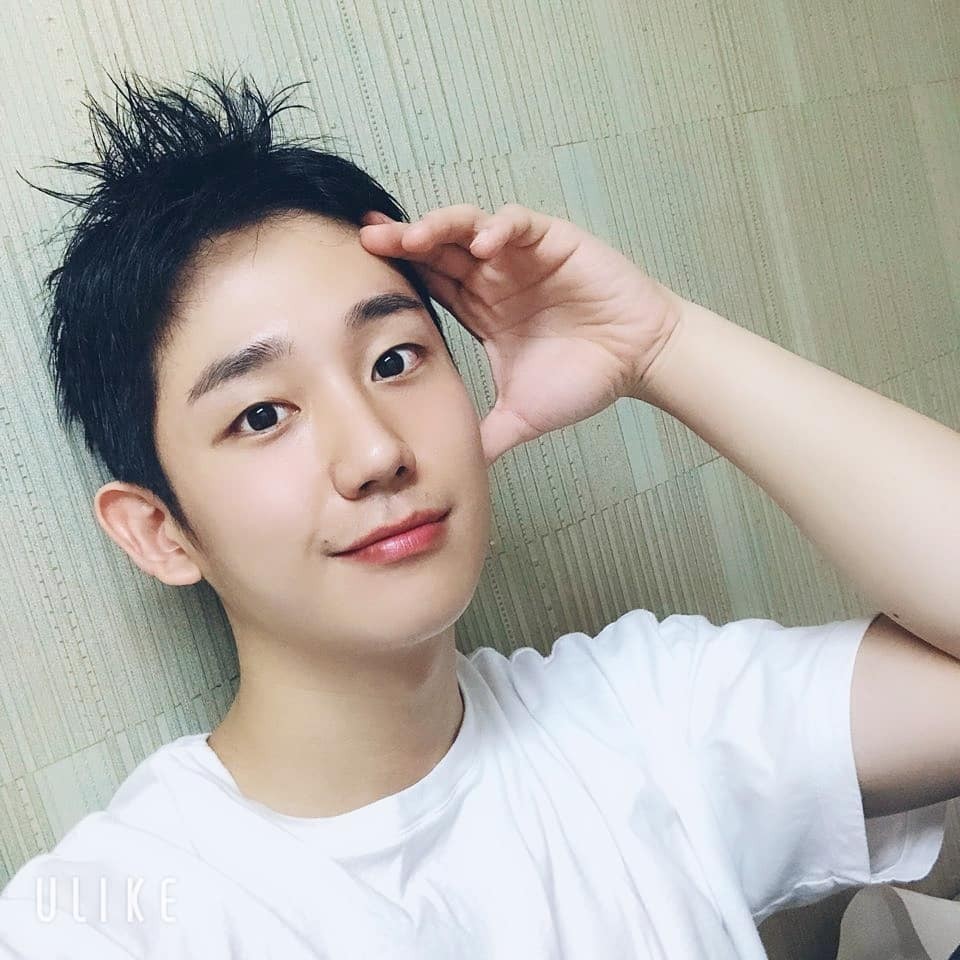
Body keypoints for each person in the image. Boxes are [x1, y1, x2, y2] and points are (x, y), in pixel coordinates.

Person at [0, 69, 956, 959]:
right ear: (158, 532)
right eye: (261, 415)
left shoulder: (640, 720)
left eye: (394, 360)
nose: (376, 452)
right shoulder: (109, 916)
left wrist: (663, 343)